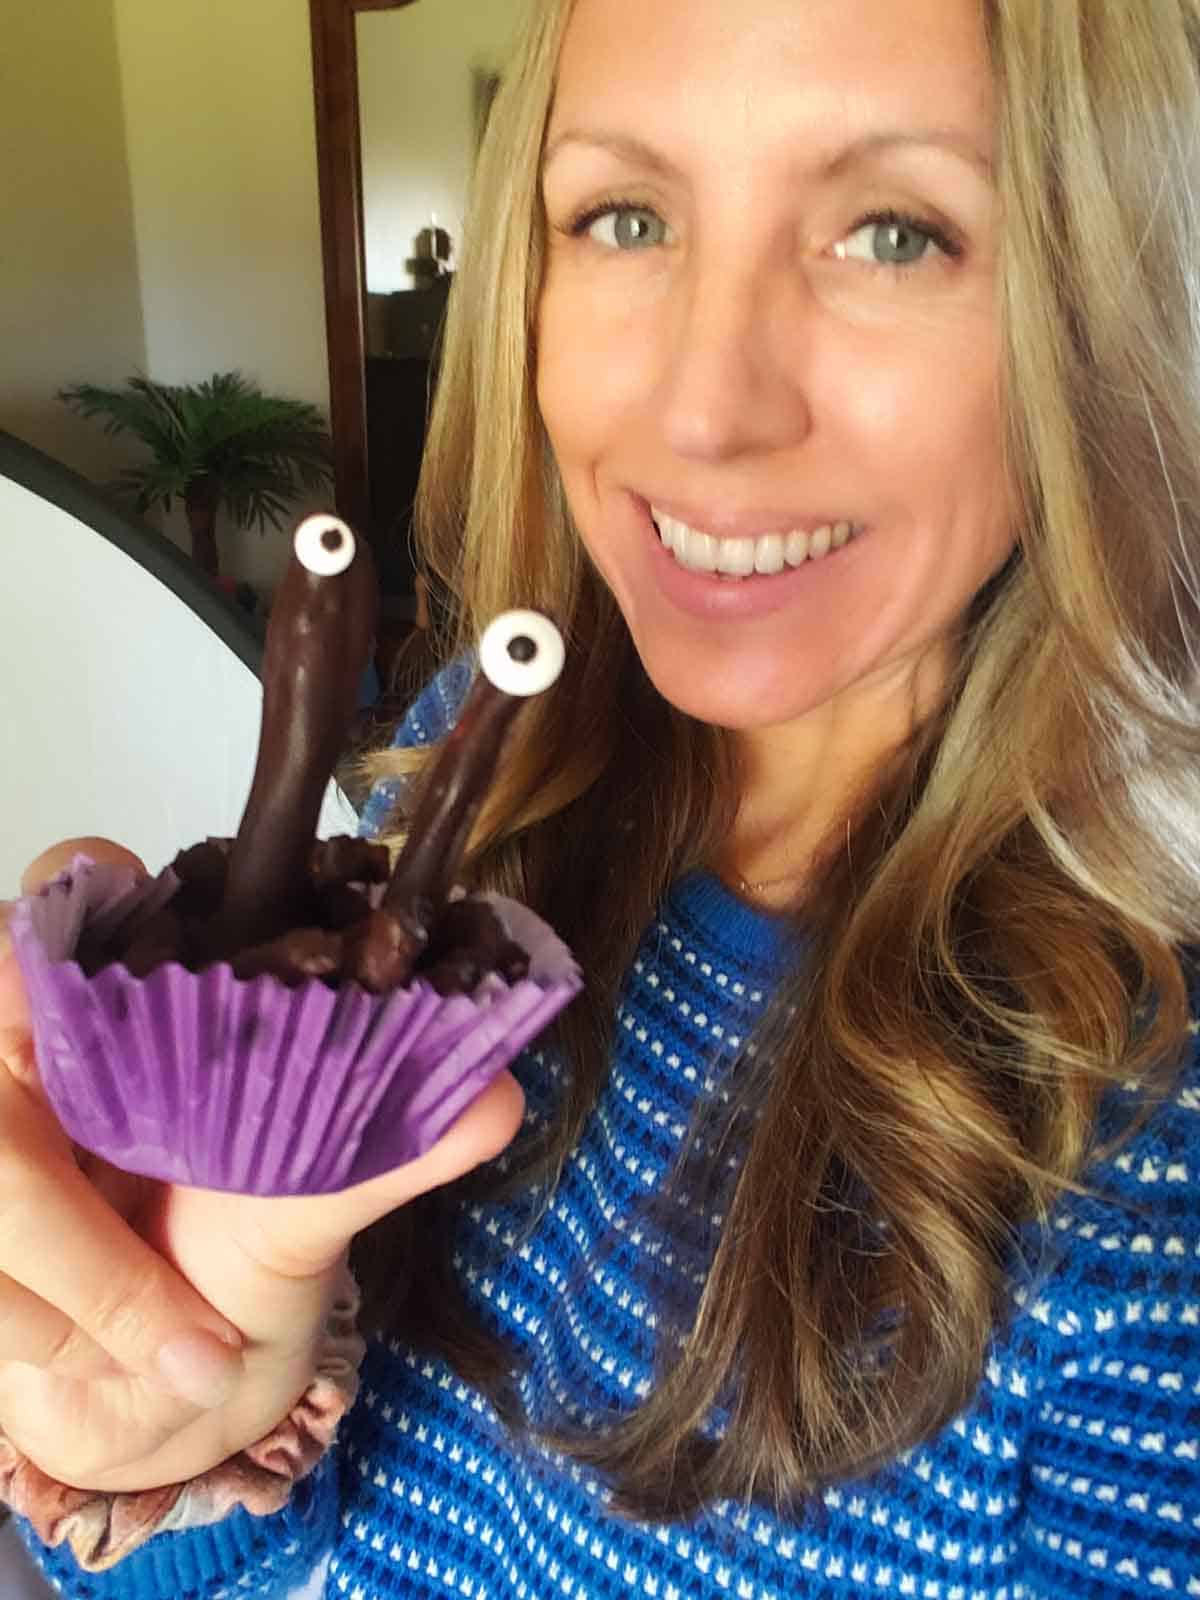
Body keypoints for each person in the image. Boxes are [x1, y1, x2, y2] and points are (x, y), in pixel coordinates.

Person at [1, 0, 1198, 1594]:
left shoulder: (1144, 1157)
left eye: (896, 233)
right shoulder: (463, 779)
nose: (704, 410)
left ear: (1099, 304)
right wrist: (144, 1407)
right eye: (624, 216)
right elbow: (205, 1563)